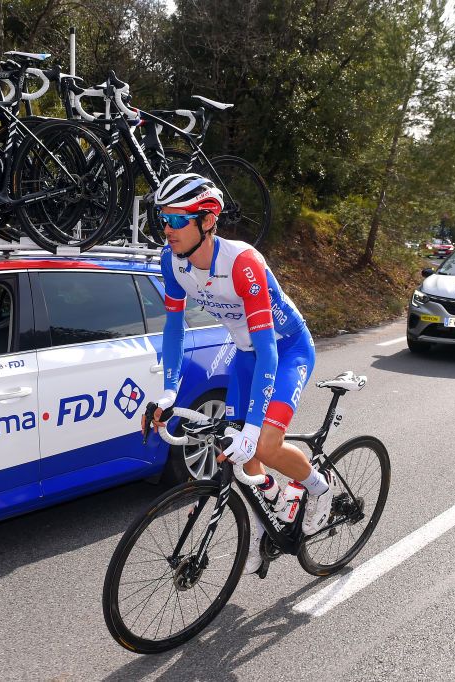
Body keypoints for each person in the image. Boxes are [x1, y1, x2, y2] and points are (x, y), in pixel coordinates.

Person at [141, 172, 334, 574]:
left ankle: (319, 488)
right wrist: (169, 392)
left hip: (285, 352)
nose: (168, 229)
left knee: (261, 445)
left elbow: (268, 349)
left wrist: (253, 429)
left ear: (207, 221)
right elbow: (174, 328)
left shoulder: (243, 264)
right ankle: (274, 505)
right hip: (246, 354)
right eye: (163, 219)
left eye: (178, 220)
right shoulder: (170, 261)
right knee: (232, 449)